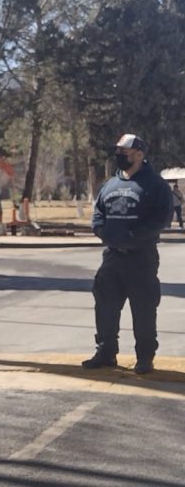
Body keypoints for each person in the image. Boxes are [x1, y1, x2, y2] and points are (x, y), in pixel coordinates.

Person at [83, 134, 173, 375]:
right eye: (118, 152)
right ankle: (105, 353)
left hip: (141, 258)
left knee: (143, 310)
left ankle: (144, 358)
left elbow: (162, 218)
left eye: (124, 152)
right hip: (112, 257)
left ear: (139, 155)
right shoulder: (110, 185)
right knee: (105, 307)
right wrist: (104, 233)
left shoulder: (155, 185)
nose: (119, 156)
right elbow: (98, 216)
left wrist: (134, 236)